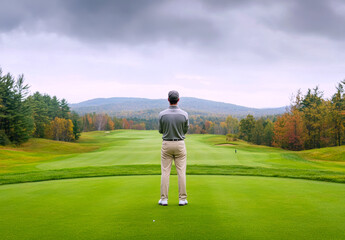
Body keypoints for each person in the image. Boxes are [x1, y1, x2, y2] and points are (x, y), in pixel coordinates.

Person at [158, 90, 189, 206]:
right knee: (181, 172)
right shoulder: (184, 114)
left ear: (168, 99)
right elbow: (185, 130)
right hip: (180, 143)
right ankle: (182, 199)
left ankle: (164, 199)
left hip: (166, 144)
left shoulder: (162, 114)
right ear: (178, 100)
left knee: (165, 172)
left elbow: (161, 130)